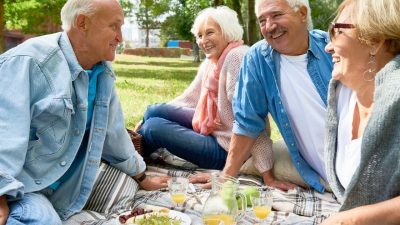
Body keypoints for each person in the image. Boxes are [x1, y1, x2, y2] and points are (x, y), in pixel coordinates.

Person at [0, 0, 168, 224]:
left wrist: (142, 176)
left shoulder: (101, 73)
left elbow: (114, 134)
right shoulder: (29, 62)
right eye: (114, 26)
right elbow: (5, 130)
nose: (120, 37)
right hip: (21, 188)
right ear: (82, 23)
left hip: (63, 193)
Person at [220, 0, 333, 192]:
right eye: (262, 20)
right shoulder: (257, 59)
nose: (270, 26)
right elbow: (248, 123)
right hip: (326, 172)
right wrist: (225, 178)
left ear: (302, 14)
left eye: (277, 15)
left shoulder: (332, 48)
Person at [136, 6, 248, 170]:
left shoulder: (237, 57)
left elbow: (250, 119)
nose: (203, 41)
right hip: (214, 128)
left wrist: (260, 167)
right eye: (200, 35)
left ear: (227, 31)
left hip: (228, 150)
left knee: (153, 128)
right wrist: (148, 115)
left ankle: (130, 157)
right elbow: (189, 98)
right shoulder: (212, 62)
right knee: (153, 111)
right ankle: (134, 147)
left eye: (209, 33)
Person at [321, 0, 400, 224]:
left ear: (374, 41)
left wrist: (354, 219)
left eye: (336, 31)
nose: (328, 46)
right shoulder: (341, 95)